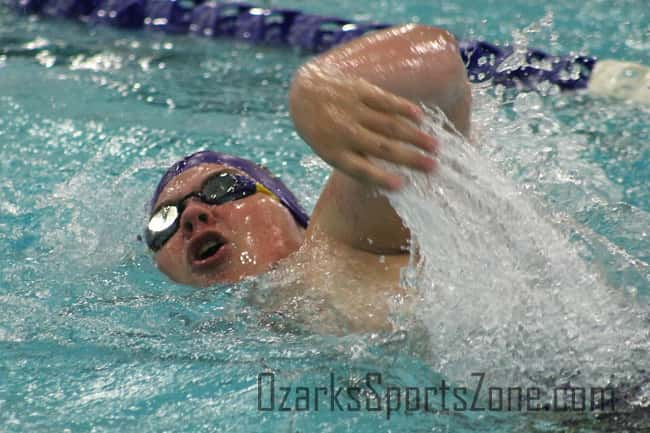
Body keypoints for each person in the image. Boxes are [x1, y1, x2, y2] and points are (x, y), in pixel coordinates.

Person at [146, 24, 471, 333]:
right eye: (164, 221)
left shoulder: (345, 245)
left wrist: (317, 87)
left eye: (222, 188)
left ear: (290, 212)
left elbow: (440, 64)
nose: (191, 216)